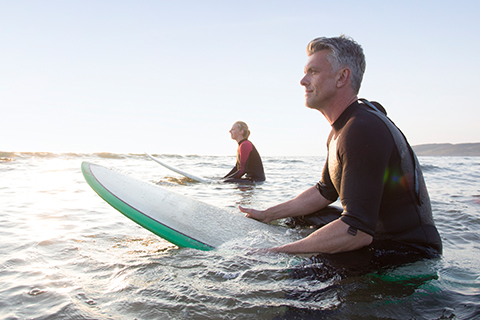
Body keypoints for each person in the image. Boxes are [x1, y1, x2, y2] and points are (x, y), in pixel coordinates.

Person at [240, 36, 442, 264]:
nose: (302, 81)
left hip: (407, 253)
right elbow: (324, 191)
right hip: (374, 237)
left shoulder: (362, 129)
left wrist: (277, 252)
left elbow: (356, 231)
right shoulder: (344, 128)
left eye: (313, 72)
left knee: (296, 282)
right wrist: (267, 214)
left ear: (342, 77)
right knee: (301, 217)